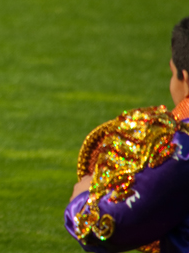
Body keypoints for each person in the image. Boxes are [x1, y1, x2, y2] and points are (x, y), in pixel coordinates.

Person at [65, 16, 189, 252]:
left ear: (185, 77)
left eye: (172, 74)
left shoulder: (181, 150)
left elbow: (100, 228)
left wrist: (82, 199)